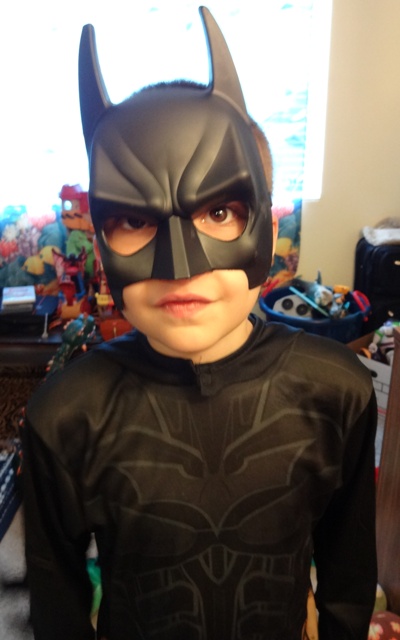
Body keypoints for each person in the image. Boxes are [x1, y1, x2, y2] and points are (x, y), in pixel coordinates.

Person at [21, 7, 377, 640]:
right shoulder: (67, 415)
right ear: (100, 239)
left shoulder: (337, 392)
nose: (181, 268)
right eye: (135, 219)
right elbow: (56, 606)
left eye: (218, 212)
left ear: (266, 224)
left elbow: (348, 581)